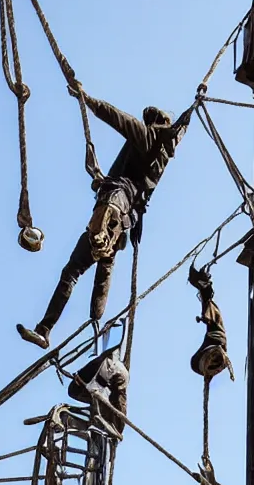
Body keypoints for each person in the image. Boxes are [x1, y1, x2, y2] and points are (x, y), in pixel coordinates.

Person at [17, 89, 190, 349]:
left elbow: (117, 118)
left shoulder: (148, 136)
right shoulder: (163, 155)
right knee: (98, 268)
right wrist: (191, 111)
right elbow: (181, 129)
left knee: (77, 265)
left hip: (116, 204)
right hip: (123, 223)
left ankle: (50, 325)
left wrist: (87, 99)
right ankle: (78, 323)